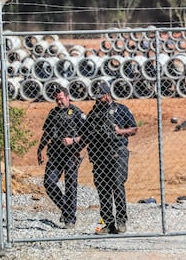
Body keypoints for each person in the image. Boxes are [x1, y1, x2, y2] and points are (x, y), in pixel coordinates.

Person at [82, 82, 137, 235]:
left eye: (100, 97)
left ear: (107, 95)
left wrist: (120, 131)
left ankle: (121, 221)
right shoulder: (93, 113)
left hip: (117, 153)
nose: (97, 100)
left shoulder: (121, 109)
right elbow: (86, 134)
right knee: (103, 189)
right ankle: (107, 222)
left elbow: (134, 128)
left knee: (117, 185)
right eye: (96, 98)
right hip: (99, 155)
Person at [37, 86, 86, 229]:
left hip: (71, 155)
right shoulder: (52, 113)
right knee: (49, 183)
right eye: (56, 99)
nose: (59, 102)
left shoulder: (77, 113)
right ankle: (66, 209)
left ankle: (70, 219)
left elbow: (88, 134)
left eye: (61, 99)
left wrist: (74, 140)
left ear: (67, 97)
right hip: (55, 154)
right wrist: (39, 150)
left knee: (70, 186)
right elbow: (46, 133)